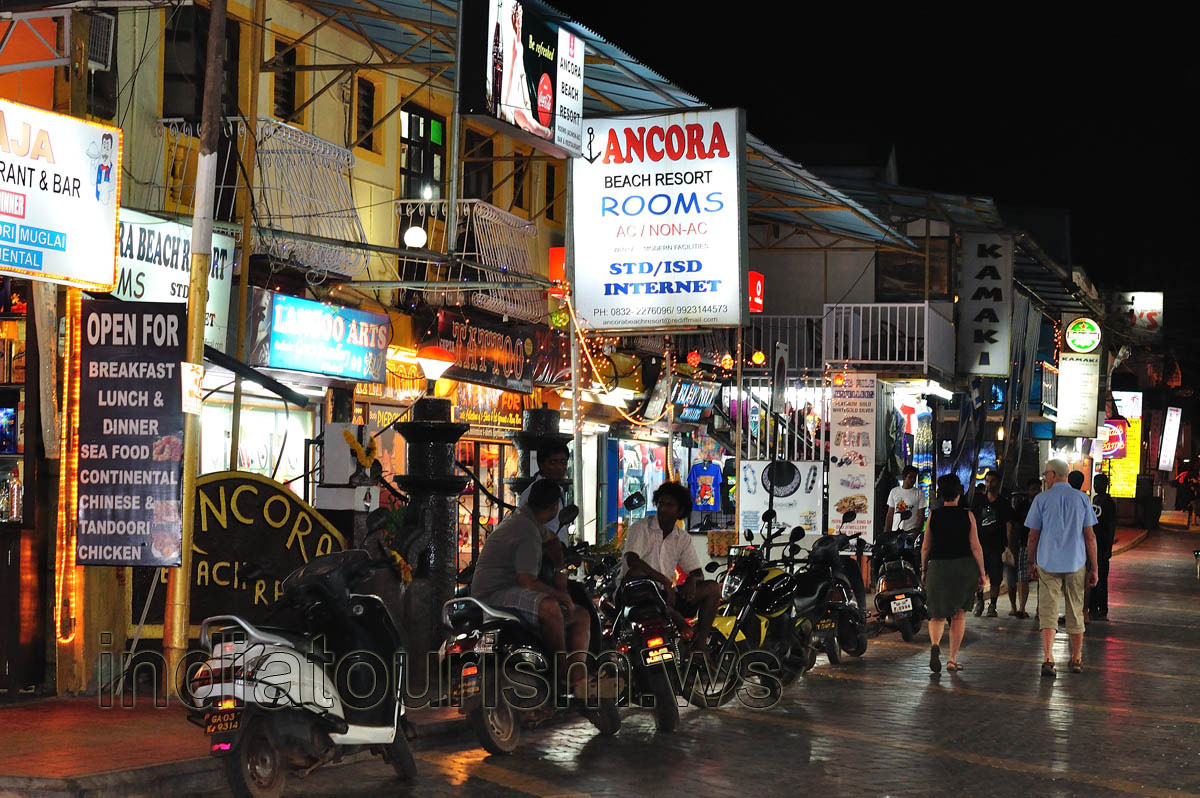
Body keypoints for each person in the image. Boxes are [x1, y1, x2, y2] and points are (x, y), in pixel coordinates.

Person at [472, 479, 592, 693]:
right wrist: (561, 595)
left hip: (503, 590)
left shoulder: (527, 521)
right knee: (551, 607)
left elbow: (552, 540)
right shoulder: (526, 531)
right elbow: (526, 581)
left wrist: (558, 567)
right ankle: (563, 671)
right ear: (555, 507)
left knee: (581, 616)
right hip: (495, 593)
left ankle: (578, 674)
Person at [620, 482, 720, 661]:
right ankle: (676, 618)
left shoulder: (682, 538)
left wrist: (692, 580)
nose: (663, 509)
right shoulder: (640, 528)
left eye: (669, 505)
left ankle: (700, 645)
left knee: (712, 588)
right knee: (636, 574)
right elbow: (632, 560)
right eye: (660, 504)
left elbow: (697, 571)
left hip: (666, 595)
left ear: (680, 510)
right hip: (637, 595)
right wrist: (664, 580)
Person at [1025, 459, 1099, 678]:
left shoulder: (1041, 499)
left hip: (1048, 562)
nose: (1044, 478)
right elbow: (1090, 536)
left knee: (1048, 610)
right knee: (1075, 609)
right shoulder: (1081, 499)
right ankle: (1076, 658)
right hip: (1076, 562)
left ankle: (1048, 658)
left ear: (1055, 474)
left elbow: (1033, 535)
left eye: (1045, 474)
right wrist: (1094, 567)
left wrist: (1031, 561)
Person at [921, 474, 987, 673]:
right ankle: (952, 659)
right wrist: (982, 573)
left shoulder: (934, 515)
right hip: (963, 567)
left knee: (937, 615)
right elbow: (976, 547)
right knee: (958, 615)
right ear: (959, 492)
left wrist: (924, 570)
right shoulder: (968, 515)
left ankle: (934, 644)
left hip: (938, 567)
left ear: (941, 494)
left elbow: (925, 547)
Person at [970, 470, 1012, 618]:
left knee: (995, 577)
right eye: (987, 481)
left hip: (996, 546)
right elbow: (973, 521)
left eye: (992, 481)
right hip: (980, 546)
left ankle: (992, 605)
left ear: (998, 483)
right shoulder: (979, 501)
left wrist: (1008, 544)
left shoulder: (1003, 503)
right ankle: (980, 601)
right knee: (979, 575)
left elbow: (1008, 524)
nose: (989, 484)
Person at [877, 465, 927, 583]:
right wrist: (886, 533)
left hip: (910, 533)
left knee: (911, 561)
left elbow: (921, 516)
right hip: (895, 533)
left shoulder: (919, 494)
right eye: (910, 477)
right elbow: (890, 514)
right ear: (904, 477)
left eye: (914, 478)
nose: (912, 480)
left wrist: (915, 534)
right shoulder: (894, 492)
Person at [519, 442, 570, 544]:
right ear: (541, 465)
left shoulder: (558, 490)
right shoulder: (532, 493)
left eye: (563, 462)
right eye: (553, 462)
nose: (559, 467)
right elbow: (528, 530)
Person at [1005, 478, 1040, 618]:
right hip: (1025, 544)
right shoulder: (1023, 506)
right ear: (1028, 491)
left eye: (1038, 488)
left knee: (1042, 579)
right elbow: (1016, 526)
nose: (1036, 492)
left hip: (1041, 545)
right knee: (1022, 577)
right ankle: (1021, 607)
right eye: (1033, 489)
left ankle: (1039, 608)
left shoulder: (1044, 504)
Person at [1088, 474, 1117, 621]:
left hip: (1103, 543)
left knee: (1102, 578)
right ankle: (1092, 606)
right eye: (1094, 483)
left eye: (1098, 483)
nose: (1095, 486)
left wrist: (1109, 548)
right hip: (1094, 543)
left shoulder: (1109, 503)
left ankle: (1102, 608)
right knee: (1093, 576)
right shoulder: (1095, 500)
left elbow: (1111, 525)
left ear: (1105, 485)